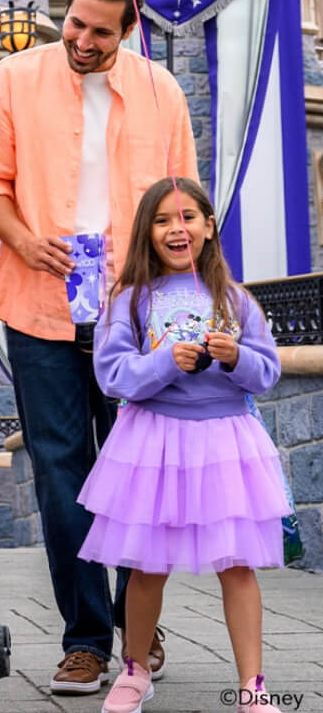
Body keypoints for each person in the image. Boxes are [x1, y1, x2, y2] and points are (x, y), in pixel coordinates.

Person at [0, 0, 199, 696]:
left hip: (137, 316)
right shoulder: (10, 81)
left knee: (137, 472)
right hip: (38, 307)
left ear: (127, 30)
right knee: (62, 471)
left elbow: (183, 203)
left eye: (100, 31)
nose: (82, 40)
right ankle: (85, 640)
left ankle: (139, 625)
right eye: (74, 23)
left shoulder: (162, 92)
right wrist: (26, 238)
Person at [78, 178, 286, 713]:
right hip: (154, 442)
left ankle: (252, 685)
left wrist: (236, 356)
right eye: (163, 220)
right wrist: (166, 361)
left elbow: (267, 371)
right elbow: (114, 375)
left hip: (224, 442)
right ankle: (133, 668)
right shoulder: (128, 300)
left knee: (237, 565)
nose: (177, 228)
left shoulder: (236, 299)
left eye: (188, 217)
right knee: (147, 567)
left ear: (209, 226)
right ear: (147, 233)